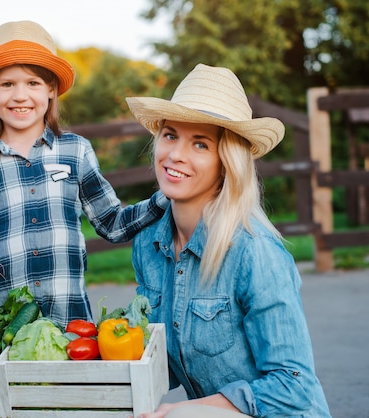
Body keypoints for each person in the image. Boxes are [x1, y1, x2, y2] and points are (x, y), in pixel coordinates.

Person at [0, 20, 168, 405]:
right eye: (7, 84)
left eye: (32, 83)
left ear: (50, 90)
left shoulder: (75, 150)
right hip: (6, 333)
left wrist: (165, 198)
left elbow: (111, 223)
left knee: (73, 410)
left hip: (70, 328)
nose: (20, 95)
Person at [127, 64, 332, 418]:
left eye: (201, 144)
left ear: (227, 162)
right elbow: (162, 361)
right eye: (171, 135)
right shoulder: (148, 244)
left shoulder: (255, 252)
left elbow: (294, 385)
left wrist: (186, 412)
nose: (176, 155)